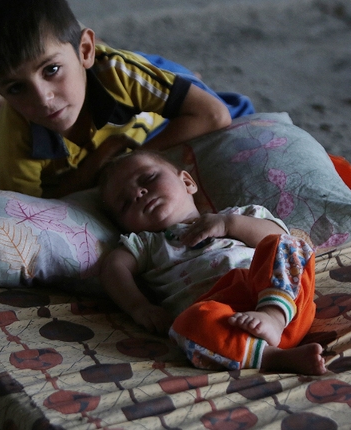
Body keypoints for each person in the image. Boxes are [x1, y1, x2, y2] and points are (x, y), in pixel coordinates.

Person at [0, 0, 254, 198]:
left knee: (200, 95)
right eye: (16, 88)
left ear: (86, 49)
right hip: (125, 116)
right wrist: (100, 162)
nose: (43, 98)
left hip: (149, 114)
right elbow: (30, 215)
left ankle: (182, 76)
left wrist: (127, 159)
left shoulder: (117, 73)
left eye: (51, 70)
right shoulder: (17, 137)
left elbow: (213, 115)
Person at [98, 151, 326, 375]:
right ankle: (274, 358)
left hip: (283, 306)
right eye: (125, 203)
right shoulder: (147, 244)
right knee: (187, 324)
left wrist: (229, 224)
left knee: (286, 244)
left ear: (187, 182)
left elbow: (277, 238)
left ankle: (272, 316)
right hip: (225, 324)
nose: (138, 193)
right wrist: (139, 307)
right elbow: (113, 267)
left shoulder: (237, 216)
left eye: (148, 178)